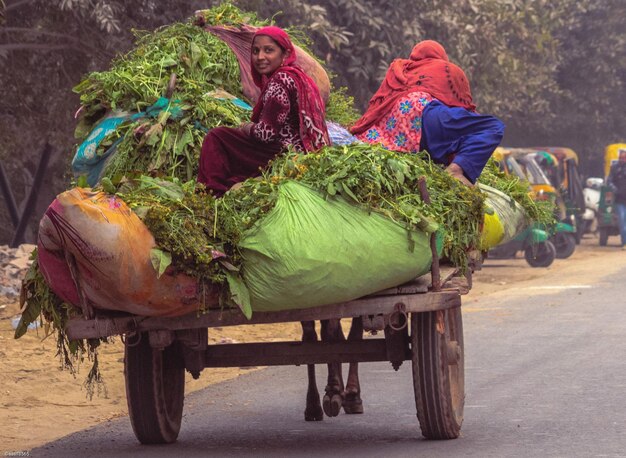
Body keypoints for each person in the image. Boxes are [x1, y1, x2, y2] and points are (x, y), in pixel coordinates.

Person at [350, 40, 504, 186]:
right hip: (426, 116)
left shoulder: (402, 69)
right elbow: (464, 105)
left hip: (396, 126)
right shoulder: (446, 69)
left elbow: (378, 104)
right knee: (492, 127)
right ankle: (456, 170)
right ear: (441, 56)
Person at [198, 26, 329, 196]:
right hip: (300, 152)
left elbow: (266, 134)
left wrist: (245, 127)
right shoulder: (294, 76)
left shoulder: (280, 81)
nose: (260, 57)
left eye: (269, 50)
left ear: (285, 55)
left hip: (285, 155)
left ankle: (211, 192)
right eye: (256, 51)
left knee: (217, 137)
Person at [607, 148, 626, 249]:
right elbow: (609, 181)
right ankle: (625, 242)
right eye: (620, 158)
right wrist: (614, 189)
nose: (622, 160)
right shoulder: (614, 168)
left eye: (624, 158)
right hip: (619, 200)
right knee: (622, 221)